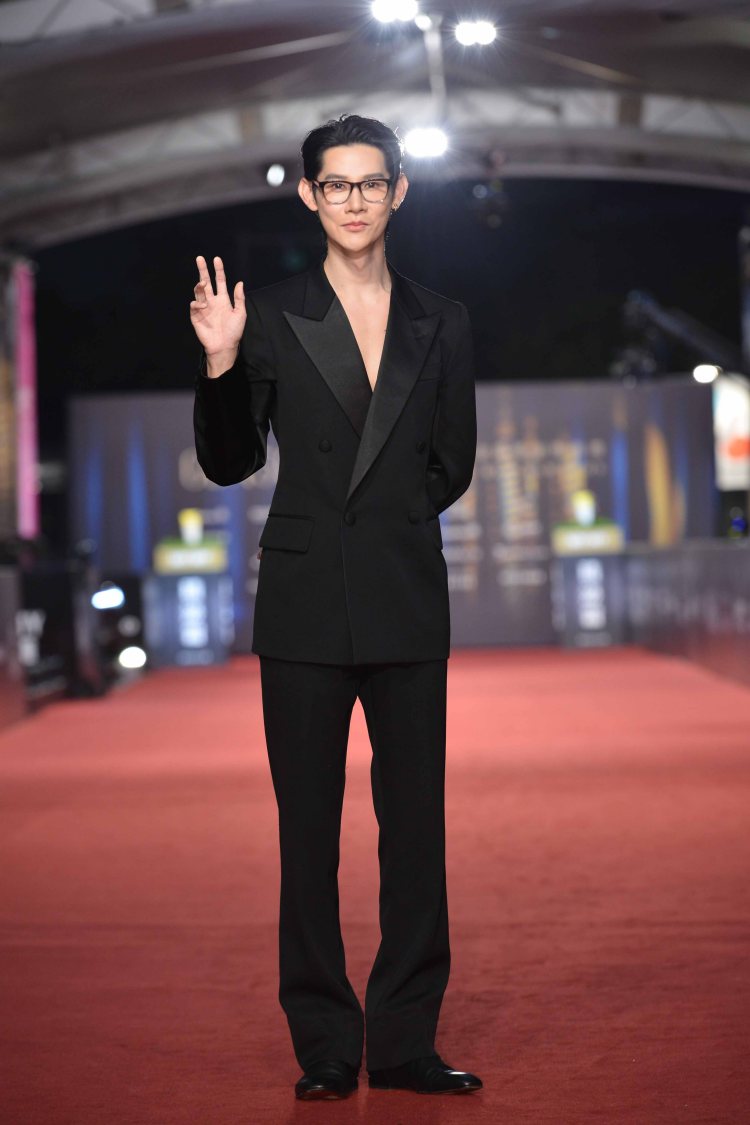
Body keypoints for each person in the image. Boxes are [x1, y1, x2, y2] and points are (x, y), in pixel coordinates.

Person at [190, 113, 480, 1101]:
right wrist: (221, 363)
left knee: (417, 833)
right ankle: (322, 1043)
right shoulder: (267, 315)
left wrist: (384, 524)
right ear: (309, 194)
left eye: (371, 182)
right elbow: (231, 461)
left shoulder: (443, 318)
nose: (354, 200)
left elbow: (451, 462)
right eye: (336, 184)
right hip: (306, 602)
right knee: (306, 835)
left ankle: (403, 1041)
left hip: (403, 595)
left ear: (399, 191)